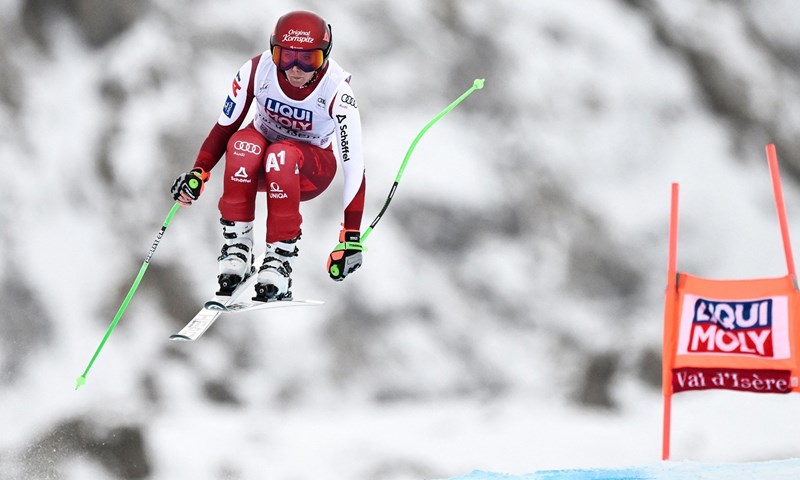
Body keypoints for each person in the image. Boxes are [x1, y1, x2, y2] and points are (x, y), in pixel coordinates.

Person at [170, 10, 366, 301]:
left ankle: (280, 260)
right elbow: (225, 127)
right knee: (241, 144)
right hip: (261, 162)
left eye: (308, 59)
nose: (296, 69)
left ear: (324, 57)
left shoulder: (337, 91)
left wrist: (350, 236)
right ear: (273, 51)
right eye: (285, 57)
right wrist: (199, 172)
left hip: (310, 171)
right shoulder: (256, 70)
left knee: (281, 155)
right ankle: (237, 249)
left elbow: (354, 166)